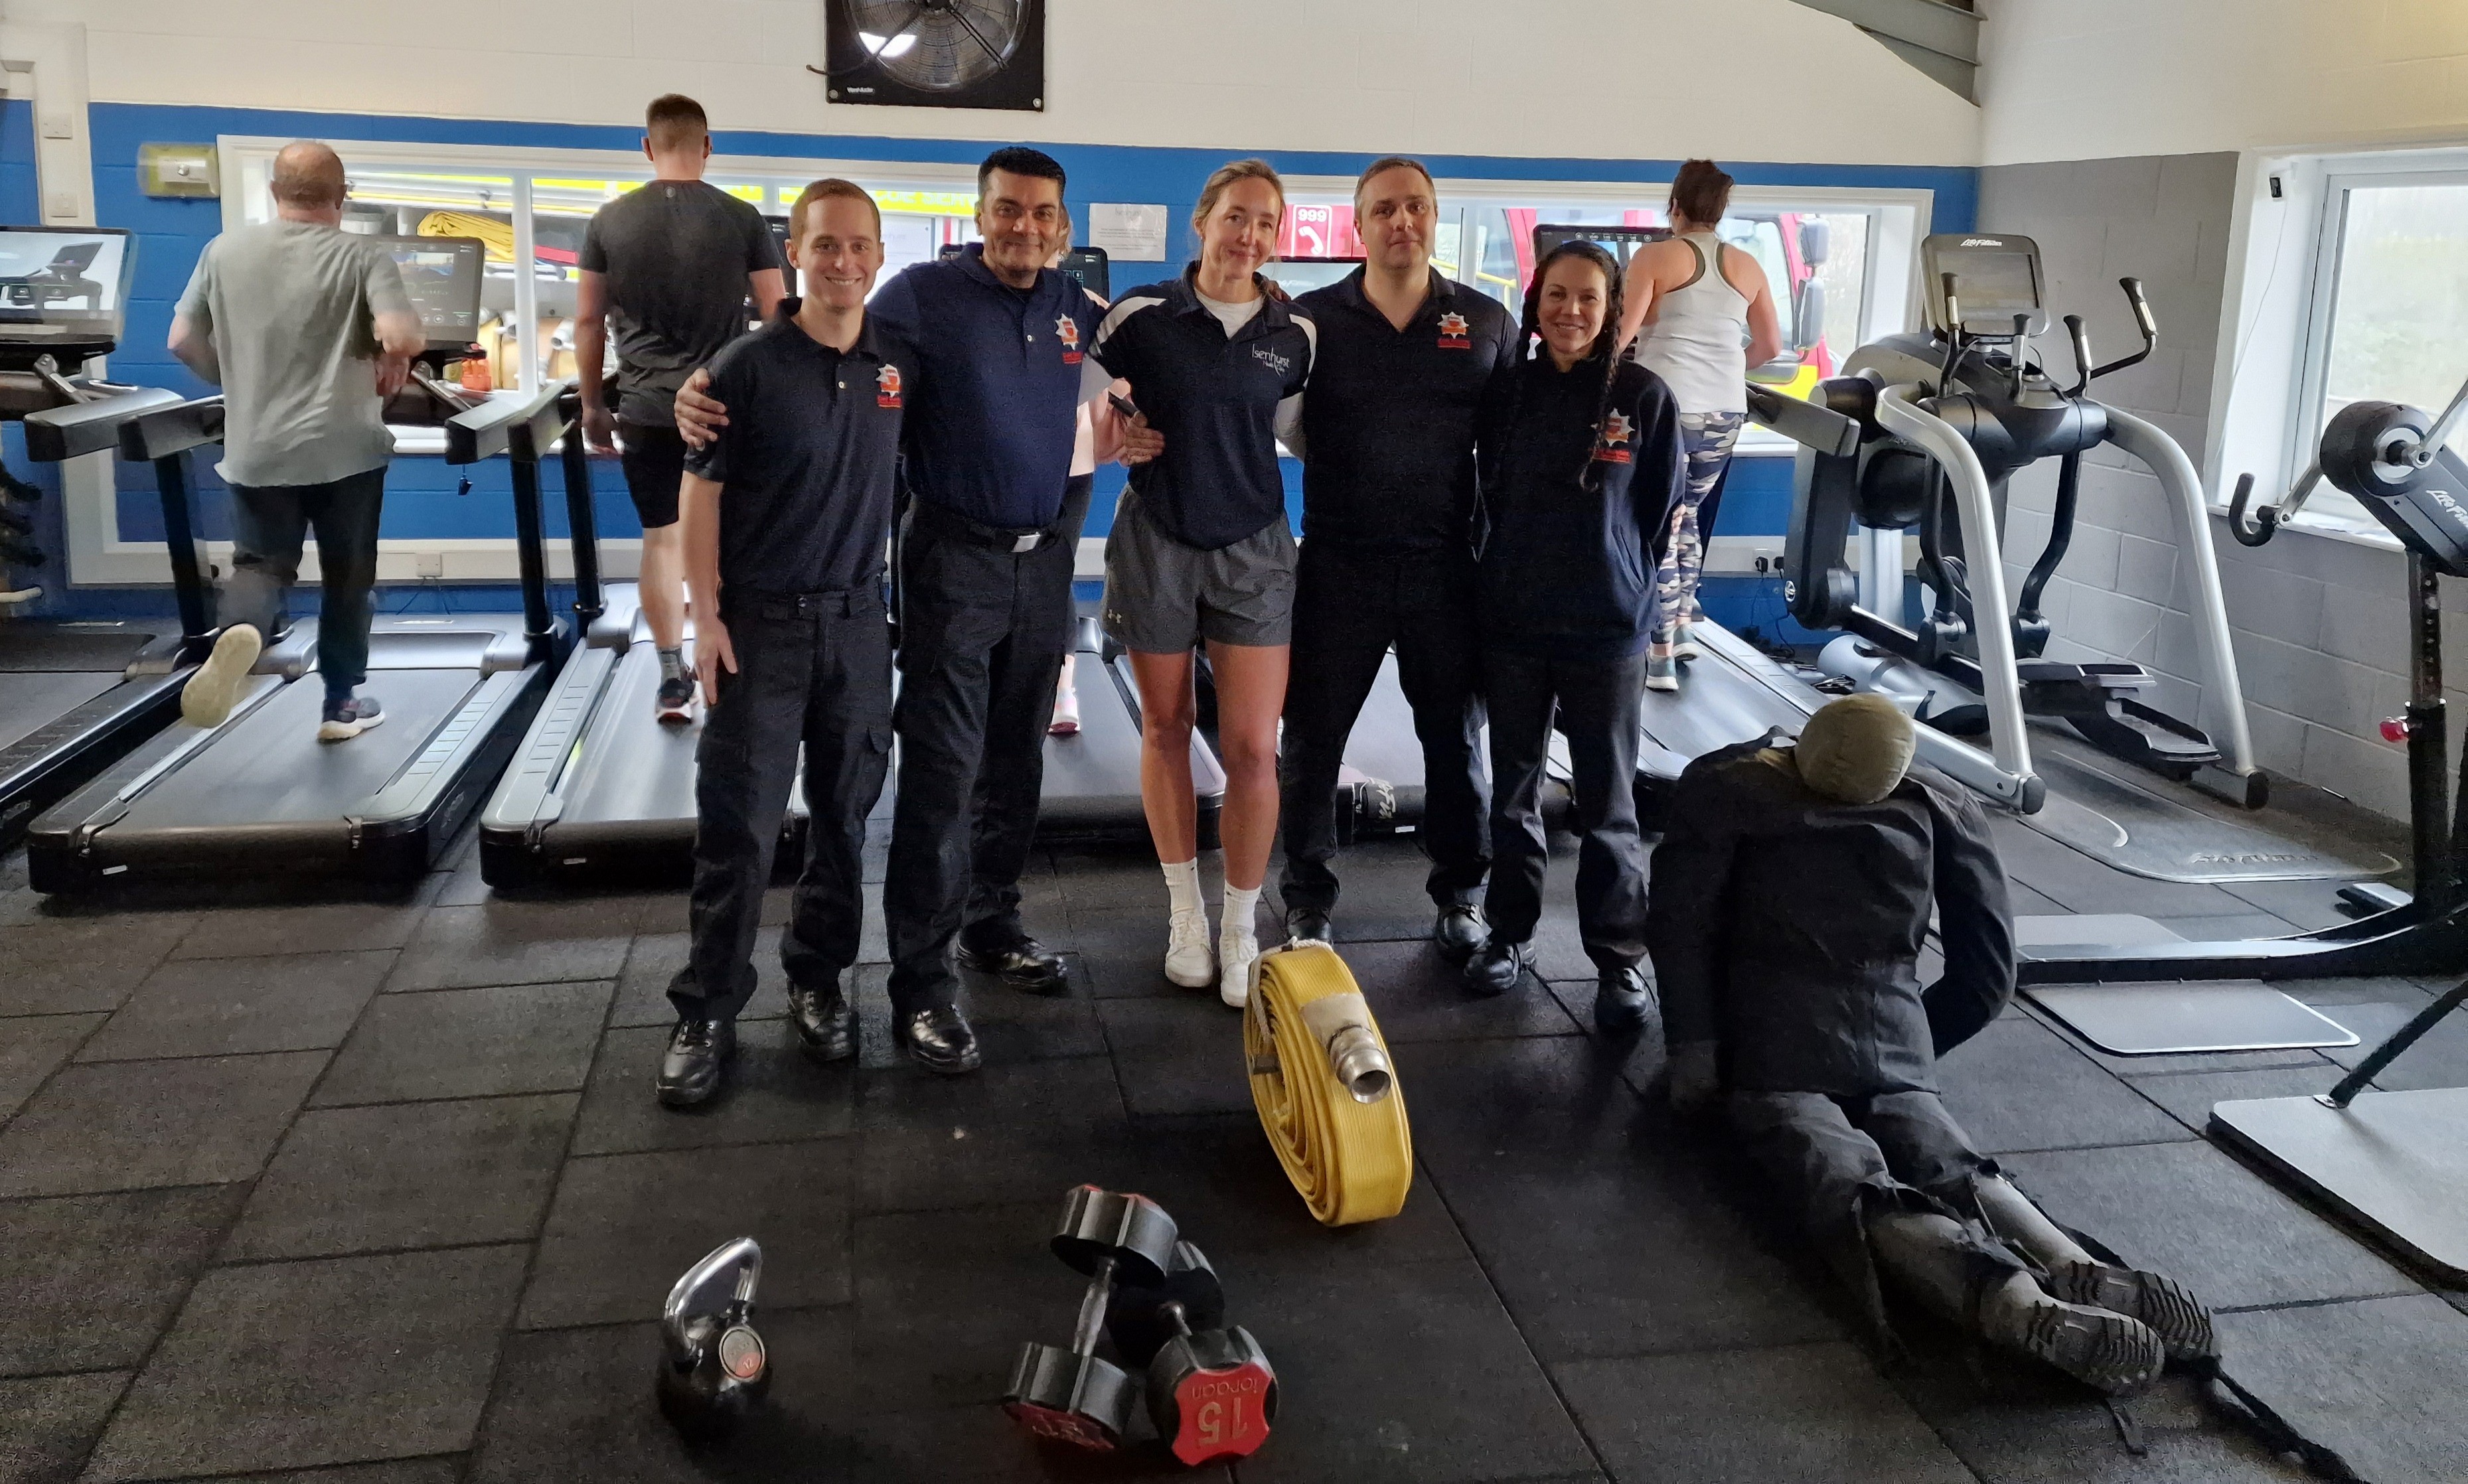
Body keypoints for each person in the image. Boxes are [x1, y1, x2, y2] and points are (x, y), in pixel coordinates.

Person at [678, 148, 1108, 1073]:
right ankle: (920, 986)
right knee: (934, 779)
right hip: (945, 563)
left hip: (1034, 573)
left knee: (1003, 766)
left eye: (1040, 215)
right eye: (1007, 211)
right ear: (978, 214)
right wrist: (693, 393)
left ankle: (984, 926)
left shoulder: (1074, 309)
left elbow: (1113, 396)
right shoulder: (916, 297)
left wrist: (1131, 434)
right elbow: (798, 364)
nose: (1024, 228)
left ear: (1061, 227)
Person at [1649, 695, 2213, 1393]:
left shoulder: (1725, 786)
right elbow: (1985, 976)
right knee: (1949, 1154)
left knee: (1841, 1173)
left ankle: (2011, 1305)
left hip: (1768, 1039)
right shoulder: (1944, 804)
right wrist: (1912, 1054)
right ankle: (2070, 1260)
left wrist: (1696, 1052)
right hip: (1891, 1034)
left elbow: (1679, 925)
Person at [655, 179, 909, 1107]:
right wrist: (705, 615)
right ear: (794, 253)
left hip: (856, 626)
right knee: (739, 832)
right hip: (757, 629)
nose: (844, 262)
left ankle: (818, 981)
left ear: (880, 257)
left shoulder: (896, 365)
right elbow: (701, 497)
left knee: (845, 822)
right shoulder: (743, 368)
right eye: (826, 245)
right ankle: (709, 1010)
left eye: (860, 247)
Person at [1087, 159, 1314, 1009]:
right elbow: (1078, 396)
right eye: (1234, 217)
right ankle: (1186, 913)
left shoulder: (1296, 334)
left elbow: (1301, 432)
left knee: (1256, 747)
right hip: (1156, 539)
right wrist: (1115, 433)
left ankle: (1239, 922)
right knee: (1167, 726)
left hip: (1254, 547)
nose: (1248, 234)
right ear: (1202, 222)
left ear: (1276, 236)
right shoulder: (1140, 315)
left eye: (1264, 222)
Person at [1275, 157, 1513, 960]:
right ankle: (1307, 899)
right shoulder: (1312, 319)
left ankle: (1461, 894)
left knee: (1452, 738)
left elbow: (1514, 447)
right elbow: (1267, 416)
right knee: (1312, 737)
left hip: (1446, 565)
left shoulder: (1485, 320)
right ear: (1359, 224)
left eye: (1415, 206)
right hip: (1339, 562)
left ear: (1434, 217)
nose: (1400, 221)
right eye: (1383, 209)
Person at [1464, 240, 1683, 1027]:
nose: (1570, 312)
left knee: (1609, 802)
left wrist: (1619, 573)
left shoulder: (1647, 398)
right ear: (1534, 302)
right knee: (1514, 790)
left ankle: (1619, 960)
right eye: (1556, 295)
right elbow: (1482, 491)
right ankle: (1507, 933)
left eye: (1588, 298)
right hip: (1516, 619)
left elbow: (1656, 512)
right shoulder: (1507, 393)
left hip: (1606, 628)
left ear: (1612, 307)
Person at [167, 141, 422, 743]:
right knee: (348, 576)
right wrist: (396, 356)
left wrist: (232, 379)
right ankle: (339, 707)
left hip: (258, 447)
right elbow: (399, 332)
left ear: (277, 192)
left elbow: (180, 339)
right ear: (341, 196)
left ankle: (243, 633)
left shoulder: (223, 251)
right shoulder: (362, 255)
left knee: (261, 566)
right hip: (347, 450)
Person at [576, 93, 785, 724]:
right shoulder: (742, 217)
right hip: (721, 407)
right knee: (725, 543)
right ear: (708, 147)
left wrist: (592, 405)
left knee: (662, 541)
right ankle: (722, 657)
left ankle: (672, 678)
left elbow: (587, 320)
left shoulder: (609, 220)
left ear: (647, 147)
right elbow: (778, 317)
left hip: (644, 410)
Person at [1614, 159, 1781, 692]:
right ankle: (1684, 625)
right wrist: (1727, 369)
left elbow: (1620, 336)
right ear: (1722, 210)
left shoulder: (1655, 256)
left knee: (1659, 522)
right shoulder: (1749, 265)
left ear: (1675, 205)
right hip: (1727, 411)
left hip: (1666, 408)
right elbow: (1770, 347)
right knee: (1686, 516)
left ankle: (1659, 652)